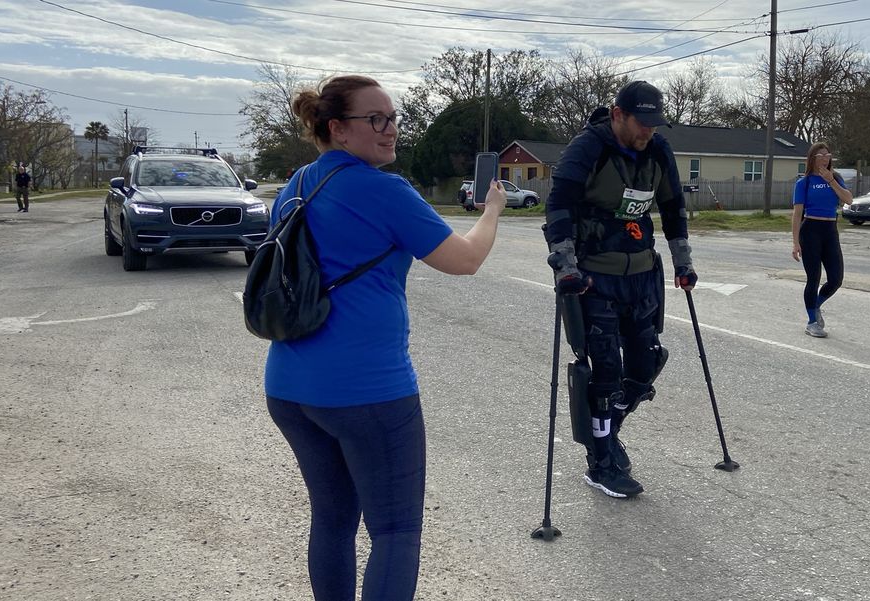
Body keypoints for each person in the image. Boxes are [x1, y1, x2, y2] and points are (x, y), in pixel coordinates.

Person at [264, 74, 506, 601]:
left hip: (289, 386)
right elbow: (464, 259)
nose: (391, 129)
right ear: (337, 128)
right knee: (395, 530)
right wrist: (491, 212)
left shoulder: (298, 183)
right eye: (375, 119)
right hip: (367, 391)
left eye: (393, 118)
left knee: (332, 519)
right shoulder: (383, 189)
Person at [543, 80, 697, 499]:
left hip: (642, 274)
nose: (649, 130)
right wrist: (566, 266)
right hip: (596, 277)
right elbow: (558, 206)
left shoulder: (658, 150)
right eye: (641, 122)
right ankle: (600, 463)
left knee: (645, 365)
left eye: (654, 123)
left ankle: (607, 433)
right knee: (605, 372)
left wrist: (683, 262)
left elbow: (673, 207)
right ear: (617, 115)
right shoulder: (587, 147)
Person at [791, 142, 852, 338]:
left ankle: (815, 305)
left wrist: (831, 180)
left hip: (830, 230)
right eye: (820, 155)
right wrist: (795, 242)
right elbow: (797, 214)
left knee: (836, 279)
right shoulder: (804, 182)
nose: (825, 158)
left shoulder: (836, 178)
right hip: (810, 230)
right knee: (814, 278)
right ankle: (812, 322)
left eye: (827, 155)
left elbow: (848, 199)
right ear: (813, 159)